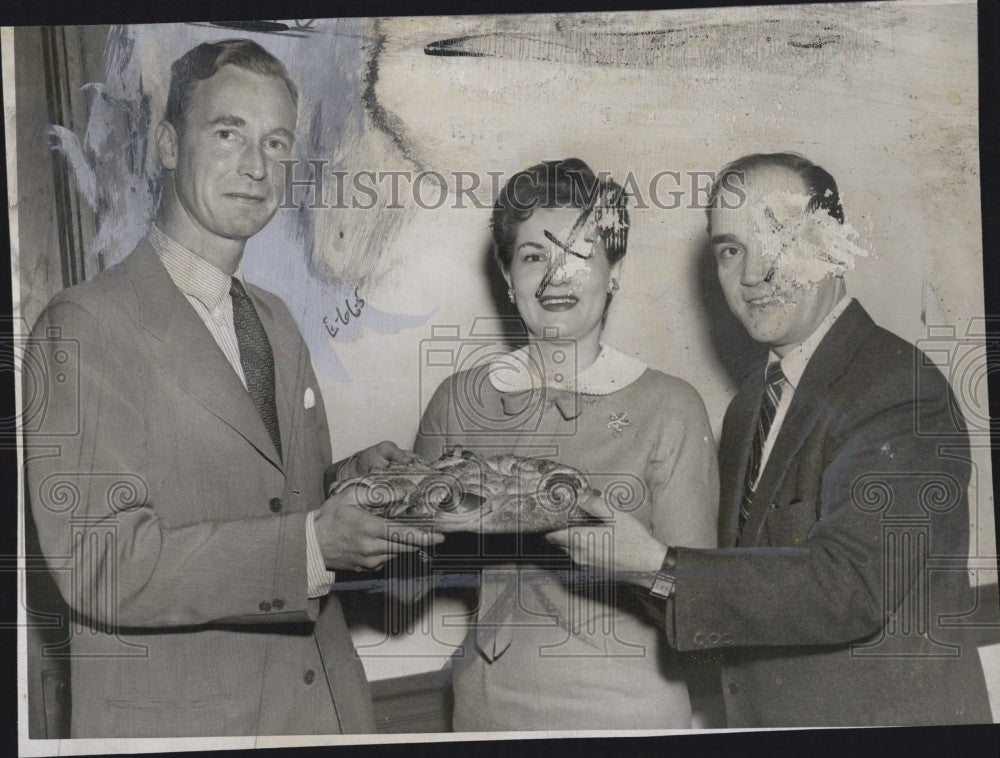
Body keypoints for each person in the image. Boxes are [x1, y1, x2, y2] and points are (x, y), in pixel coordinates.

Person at [23, 39, 439, 738]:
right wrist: (312, 544)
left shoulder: (274, 320)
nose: (256, 166)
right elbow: (99, 560)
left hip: (323, 714)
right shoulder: (82, 327)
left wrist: (345, 484)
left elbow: (266, 496)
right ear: (165, 144)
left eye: (276, 143)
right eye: (228, 134)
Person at [548, 152, 992, 727]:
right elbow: (745, 599)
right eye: (731, 249)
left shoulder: (898, 387)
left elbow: (849, 586)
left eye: (777, 237)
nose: (752, 273)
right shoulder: (749, 407)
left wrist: (656, 564)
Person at [413, 159, 719, 730]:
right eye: (533, 256)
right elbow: (409, 578)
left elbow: (697, 601)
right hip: (488, 709)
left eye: (580, 255)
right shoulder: (458, 400)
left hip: (628, 712)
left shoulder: (672, 407)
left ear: (614, 270)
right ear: (507, 278)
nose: (556, 278)